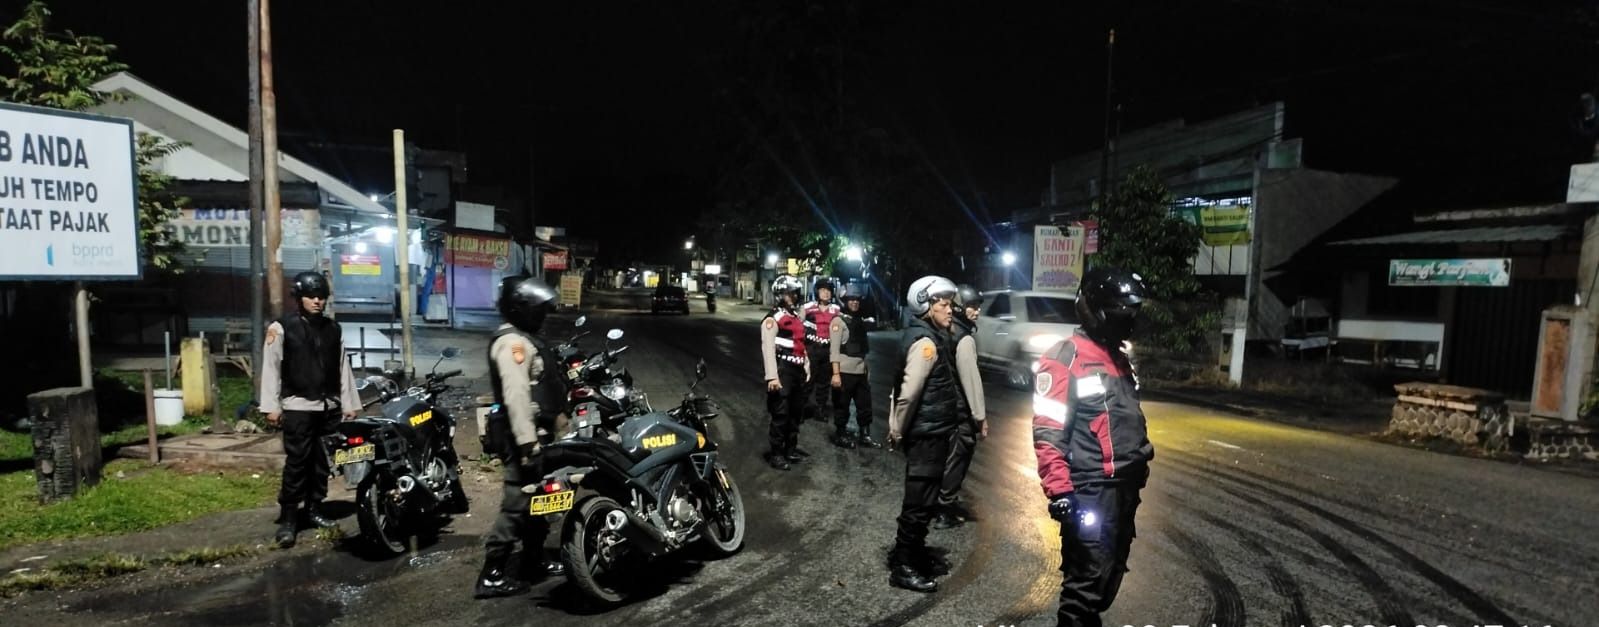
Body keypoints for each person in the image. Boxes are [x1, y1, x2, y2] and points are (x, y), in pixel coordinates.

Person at [1032, 268, 1155, 627]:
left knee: (1109, 573)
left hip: (1124, 486)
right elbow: (1048, 429)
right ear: (1095, 311)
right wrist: (1059, 489)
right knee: (1086, 579)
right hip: (1091, 487)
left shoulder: (1118, 358)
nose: (1127, 322)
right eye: (1120, 314)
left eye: (1130, 314)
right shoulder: (1065, 357)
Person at [475, 275, 569, 599]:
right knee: (517, 503)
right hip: (521, 439)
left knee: (538, 501)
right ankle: (492, 573)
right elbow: (516, 397)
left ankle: (533, 559)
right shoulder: (512, 343)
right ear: (520, 308)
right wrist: (529, 444)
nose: (542, 315)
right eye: (537, 309)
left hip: (536, 435)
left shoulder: (525, 339)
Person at [260, 271, 360, 549]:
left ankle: (315, 508)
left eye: (321, 297)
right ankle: (289, 518)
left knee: (322, 463)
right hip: (298, 406)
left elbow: (343, 367)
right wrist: (271, 406)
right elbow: (271, 368)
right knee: (297, 462)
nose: (317, 301)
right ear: (299, 298)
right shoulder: (282, 328)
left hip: (328, 406)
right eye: (311, 296)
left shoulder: (333, 329)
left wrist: (349, 403)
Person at [886, 275, 965, 593]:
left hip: (934, 432)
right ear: (925, 307)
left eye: (950, 304)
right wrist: (897, 430)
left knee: (927, 500)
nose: (950, 310)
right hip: (925, 436)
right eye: (944, 304)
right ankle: (903, 565)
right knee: (918, 503)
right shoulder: (926, 344)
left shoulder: (933, 337)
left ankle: (914, 554)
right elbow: (908, 393)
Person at [933, 284, 987, 529]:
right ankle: (945, 510)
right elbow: (970, 380)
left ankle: (941, 503)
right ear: (958, 308)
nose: (977, 311)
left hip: (942, 406)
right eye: (972, 306)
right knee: (958, 458)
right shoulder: (963, 339)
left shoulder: (944, 331)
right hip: (959, 410)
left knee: (945, 457)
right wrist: (980, 417)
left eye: (977, 306)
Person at [761, 274, 810, 470]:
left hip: (797, 370)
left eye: (795, 293)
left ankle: (790, 449)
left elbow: (800, 344)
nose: (793, 297)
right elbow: (768, 349)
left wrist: (806, 366)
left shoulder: (795, 317)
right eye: (789, 293)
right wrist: (772, 377)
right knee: (781, 413)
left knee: (795, 412)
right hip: (783, 370)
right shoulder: (773, 319)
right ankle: (776, 454)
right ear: (780, 295)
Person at [828, 286, 880, 449]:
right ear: (844, 301)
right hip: (844, 371)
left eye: (857, 300)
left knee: (865, 405)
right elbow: (834, 350)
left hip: (860, 371)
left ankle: (865, 435)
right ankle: (840, 434)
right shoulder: (838, 322)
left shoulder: (859, 321)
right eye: (851, 299)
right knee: (842, 406)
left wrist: (866, 369)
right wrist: (835, 374)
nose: (855, 302)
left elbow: (862, 349)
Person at [801, 279, 842, 422]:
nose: (826, 293)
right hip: (811, 348)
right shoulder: (808, 308)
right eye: (823, 290)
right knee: (808, 379)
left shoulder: (836, 310)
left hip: (828, 350)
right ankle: (800, 409)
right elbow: (798, 326)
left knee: (824, 382)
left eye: (828, 290)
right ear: (817, 292)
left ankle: (820, 409)